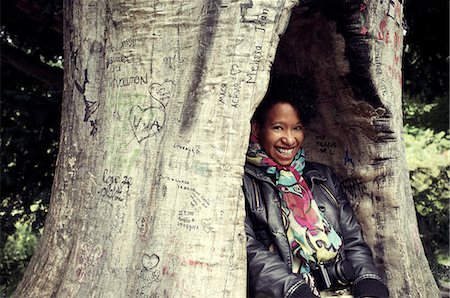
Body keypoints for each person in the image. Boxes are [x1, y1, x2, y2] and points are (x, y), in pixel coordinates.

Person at [243, 75, 389, 298]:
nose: (289, 139)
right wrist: (294, 289)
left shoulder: (322, 177)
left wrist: (368, 283)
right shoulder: (244, 181)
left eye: (297, 128)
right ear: (257, 129)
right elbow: (249, 249)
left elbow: (353, 242)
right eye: (278, 128)